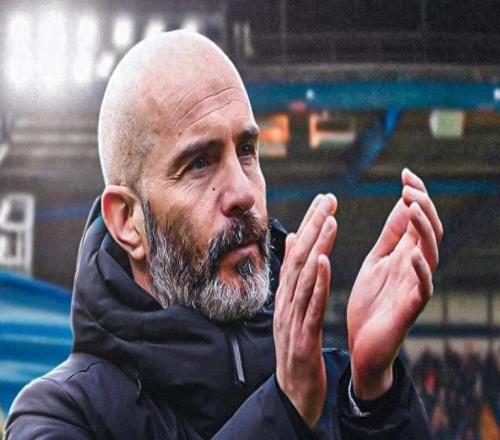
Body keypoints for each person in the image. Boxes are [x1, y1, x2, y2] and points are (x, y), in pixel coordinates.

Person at [5, 31, 442, 439]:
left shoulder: (339, 389)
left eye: (247, 150)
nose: (242, 193)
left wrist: (376, 398)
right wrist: (283, 411)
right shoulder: (61, 414)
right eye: (199, 162)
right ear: (127, 221)